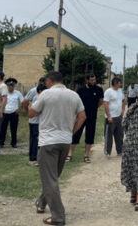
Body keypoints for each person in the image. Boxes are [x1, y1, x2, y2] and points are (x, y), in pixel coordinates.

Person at [28, 71, 86, 225]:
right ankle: (41, 203)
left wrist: (29, 106)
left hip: (48, 141)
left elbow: (32, 114)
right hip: (65, 141)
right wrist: (70, 131)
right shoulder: (74, 95)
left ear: (48, 81)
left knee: (49, 179)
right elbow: (82, 117)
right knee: (53, 177)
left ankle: (58, 217)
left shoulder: (46, 94)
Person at [68, 73, 104, 163]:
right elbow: (75, 102)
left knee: (90, 136)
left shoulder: (99, 90)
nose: (93, 81)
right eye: (91, 80)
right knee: (76, 134)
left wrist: (93, 108)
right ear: (87, 80)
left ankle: (86, 155)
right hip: (80, 116)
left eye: (94, 80)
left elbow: (100, 102)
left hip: (92, 117)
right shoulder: (81, 90)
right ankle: (69, 154)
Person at [21, 77, 47, 166]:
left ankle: (40, 158)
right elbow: (25, 102)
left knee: (42, 139)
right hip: (34, 121)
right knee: (34, 139)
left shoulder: (46, 93)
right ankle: (32, 158)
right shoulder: (34, 92)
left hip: (43, 120)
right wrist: (28, 111)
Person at [103, 77, 126, 159]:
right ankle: (107, 152)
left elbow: (124, 100)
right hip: (111, 117)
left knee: (119, 134)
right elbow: (105, 104)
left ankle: (120, 151)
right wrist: (109, 116)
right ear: (115, 83)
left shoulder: (120, 91)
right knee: (109, 135)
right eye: (119, 83)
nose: (120, 84)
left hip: (119, 116)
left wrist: (123, 110)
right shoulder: (108, 92)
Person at [0, 78, 23, 148]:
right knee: (3, 129)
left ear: (14, 86)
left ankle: (14, 143)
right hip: (5, 113)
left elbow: (23, 102)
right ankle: (1, 143)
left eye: (12, 86)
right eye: (9, 86)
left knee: (14, 129)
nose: (11, 87)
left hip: (14, 113)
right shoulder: (4, 93)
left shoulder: (17, 93)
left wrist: (19, 110)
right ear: (7, 86)